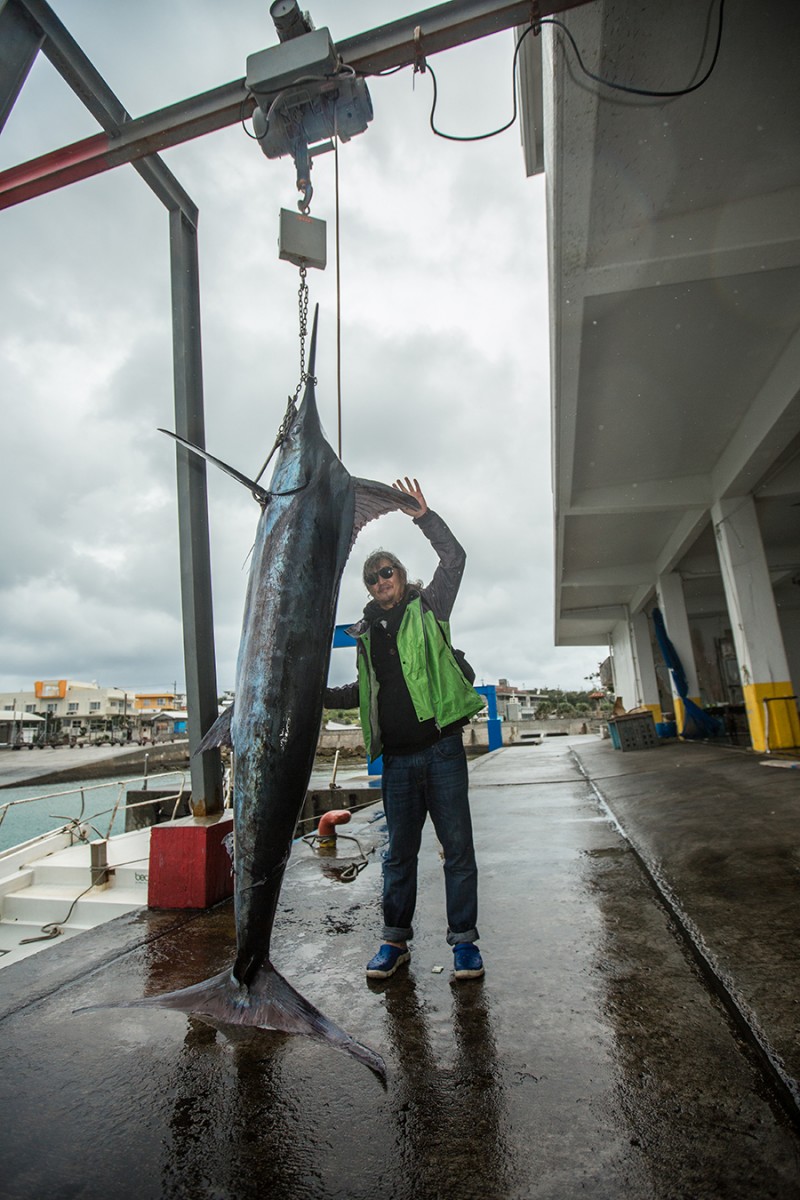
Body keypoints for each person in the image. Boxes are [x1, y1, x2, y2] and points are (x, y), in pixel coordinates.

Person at [325, 477, 486, 981]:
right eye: (372, 578)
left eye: (387, 572)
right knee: (399, 856)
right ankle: (395, 942)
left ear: (401, 574)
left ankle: (463, 943)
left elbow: (455, 558)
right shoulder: (366, 634)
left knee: (457, 850)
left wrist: (423, 517)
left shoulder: (429, 607)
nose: (380, 582)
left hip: (440, 752)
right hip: (394, 761)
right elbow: (361, 693)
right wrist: (313, 697)